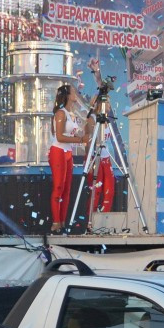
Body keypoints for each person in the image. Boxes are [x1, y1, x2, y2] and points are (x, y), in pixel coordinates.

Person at [48, 83, 89, 230]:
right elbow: (59, 137)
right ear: (67, 95)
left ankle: (63, 222)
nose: (75, 95)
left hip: (68, 153)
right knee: (59, 186)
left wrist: (87, 129)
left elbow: (77, 132)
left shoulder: (71, 114)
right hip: (58, 151)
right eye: (73, 92)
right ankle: (56, 222)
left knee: (66, 189)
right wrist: (80, 140)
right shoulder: (61, 113)